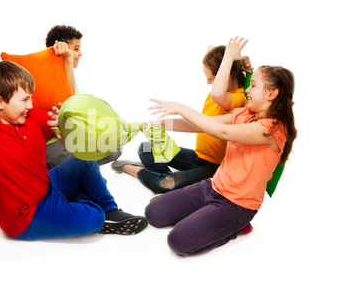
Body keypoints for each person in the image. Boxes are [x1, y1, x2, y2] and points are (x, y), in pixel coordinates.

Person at [0, 60, 148, 240]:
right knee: (94, 218)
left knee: (83, 160)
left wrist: (67, 124)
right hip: (25, 216)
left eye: (30, 98)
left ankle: (110, 209)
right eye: (24, 100)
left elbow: (67, 127)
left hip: (48, 186)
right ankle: (94, 210)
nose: (31, 104)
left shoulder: (31, 119)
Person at [144, 37, 297, 256]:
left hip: (237, 205)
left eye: (253, 86)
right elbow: (206, 125)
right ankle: (208, 216)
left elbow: (222, 132)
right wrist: (163, 123)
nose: (247, 90)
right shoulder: (244, 113)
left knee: (177, 242)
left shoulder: (272, 129)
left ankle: (234, 228)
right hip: (212, 186)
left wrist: (179, 107)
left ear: (272, 94)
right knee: (153, 213)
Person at [111, 40, 251, 193]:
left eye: (210, 79)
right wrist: (162, 124)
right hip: (198, 157)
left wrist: (231, 58)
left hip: (215, 167)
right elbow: (211, 49)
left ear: (226, 78)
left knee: (166, 183)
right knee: (146, 148)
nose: (207, 83)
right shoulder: (220, 91)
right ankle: (167, 180)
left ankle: (132, 169)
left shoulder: (237, 99)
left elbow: (211, 105)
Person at [45, 24, 122, 168]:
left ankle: (84, 167)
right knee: (72, 159)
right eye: (76, 49)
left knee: (115, 147)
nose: (80, 53)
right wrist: (67, 59)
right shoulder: (48, 76)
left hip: (72, 139)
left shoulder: (69, 74)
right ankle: (84, 170)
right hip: (54, 144)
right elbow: (70, 103)